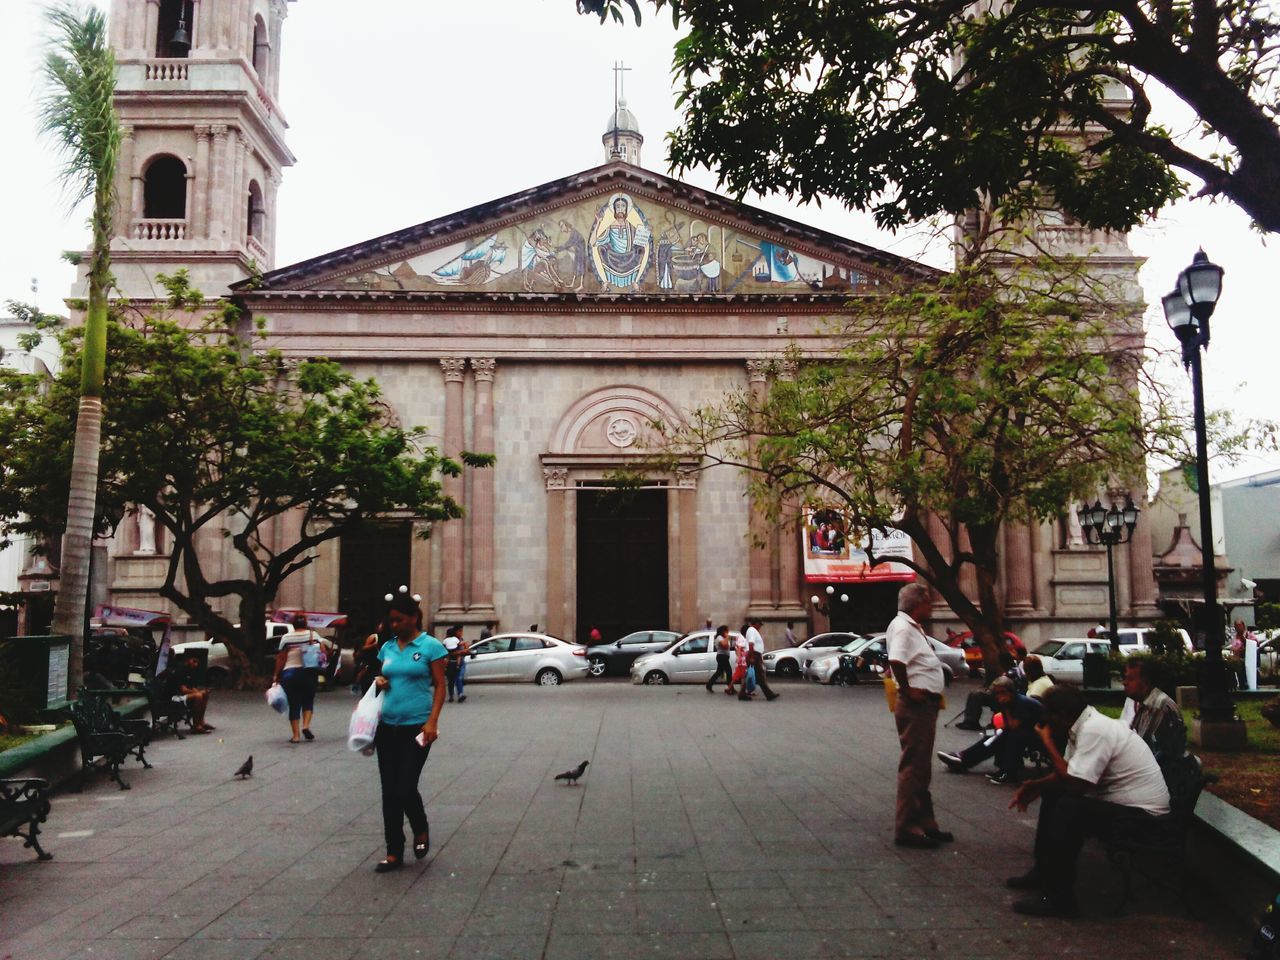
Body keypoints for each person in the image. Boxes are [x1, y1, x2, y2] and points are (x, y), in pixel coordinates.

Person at [1005, 684, 1170, 917]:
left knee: (1070, 807)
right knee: (1056, 797)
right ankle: (1043, 872)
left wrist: (1048, 743)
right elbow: (1070, 773)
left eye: (1047, 715)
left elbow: (1075, 785)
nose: (1044, 722)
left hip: (1143, 819)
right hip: (1127, 809)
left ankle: (1060, 899)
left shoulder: (1095, 730)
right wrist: (1037, 786)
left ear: (1062, 715)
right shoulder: (1082, 726)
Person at [371, 591, 448, 873]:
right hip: (386, 726)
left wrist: (433, 721)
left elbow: (440, 685)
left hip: (416, 727)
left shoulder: (431, 647)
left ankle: (420, 827)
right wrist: (379, 680)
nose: (394, 625)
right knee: (388, 792)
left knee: (404, 786)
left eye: (399, 620)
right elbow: (383, 676)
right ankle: (393, 851)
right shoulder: (387, 648)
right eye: (391, 621)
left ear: (414, 617)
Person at [887, 582, 951, 848]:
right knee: (914, 766)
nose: (931, 608)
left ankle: (926, 822)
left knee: (921, 767)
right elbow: (896, 660)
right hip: (917, 705)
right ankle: (907, 827)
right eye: (928, 604)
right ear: (917, 604)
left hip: (925, 703)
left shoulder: (910, 627)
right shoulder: (903, 627)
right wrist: (907, 688)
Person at [937, 676, 1043, 783]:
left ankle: (1007, 771)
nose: (1000, 696)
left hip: (1039, 735)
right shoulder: (1009, 702)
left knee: (1008, 736)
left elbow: (1013, 726)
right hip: (1023, 731)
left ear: (1011, 691)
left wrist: (1005, 709)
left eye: (1003, 692)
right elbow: (1006, 725)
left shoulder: (1021, 703)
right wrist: (992, 732)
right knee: (993, 734)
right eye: (997, 693)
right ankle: (962, 758)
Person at [273, 615, 335, 743]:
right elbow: (323, 652)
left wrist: (276, 674)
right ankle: (306, 726)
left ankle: (296, 736)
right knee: (308, 699)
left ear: (293, 624)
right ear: (305, 623)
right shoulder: (314, 635)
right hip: (309, 672)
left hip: (290, 673)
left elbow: (281, 657)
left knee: (294, 703)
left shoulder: (286, 637)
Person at [1119, 659, 1187, 765]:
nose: (1125, 683)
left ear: (1145, 683)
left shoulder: (1157, 706)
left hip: (1163, 772)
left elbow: (1141, 748)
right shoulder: (1146, 702)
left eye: (1131, 679)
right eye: (1125, 678)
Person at [157, 652, 214, 733]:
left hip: (180, 696)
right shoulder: (181, 670)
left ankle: (201, 722)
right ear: (187, 660)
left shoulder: (189, 671)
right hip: (172, 697)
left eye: (197, 662)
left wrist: (203, 691)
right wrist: (199, 693)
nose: (196, 664)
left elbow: (191, 687)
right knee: (198, 696)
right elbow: (184, 690)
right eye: (194, 661)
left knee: (204, 694)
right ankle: (196, 726)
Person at [744, 617, 779, 701]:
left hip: (755, 654)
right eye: (759, 624)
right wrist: (752, 656)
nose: (760, 626)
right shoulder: (752, 630)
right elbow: (751, 644)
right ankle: (769, 694)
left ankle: (743, 693)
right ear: (756, 623)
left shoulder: (752, 630)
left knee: (751, 675)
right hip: (754, 654)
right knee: (758, 675)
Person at [706, 624, 735, 694]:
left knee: (719, 672)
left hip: (724, 656)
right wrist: (727, 637)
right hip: (722, 657)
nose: (728, 632)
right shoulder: (719, 637)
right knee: (729, 671)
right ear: (723, 631)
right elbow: (725, 646)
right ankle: (730, 688)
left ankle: (709, 685)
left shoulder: (723, 638)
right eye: (727, 631)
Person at [443, 624, 469, 704]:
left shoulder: (460, 640)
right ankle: (452, 695)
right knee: (451, 680)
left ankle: (460, 694)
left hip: (460, 662)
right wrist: (460, 652)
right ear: (455, 632)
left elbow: (465, 650)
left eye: (462, 631)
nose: (461, 633)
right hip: (452, 663)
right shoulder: (451, 641)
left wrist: (463, 650)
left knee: (459, 678)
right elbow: (449, 653)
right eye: (459, 631)